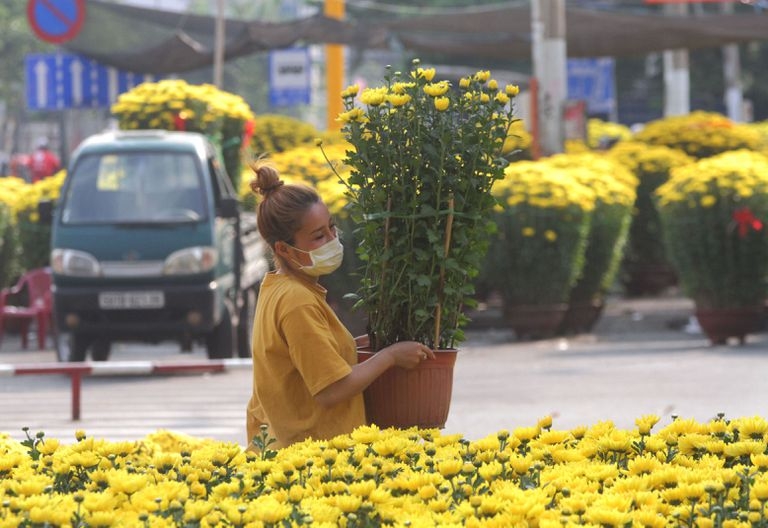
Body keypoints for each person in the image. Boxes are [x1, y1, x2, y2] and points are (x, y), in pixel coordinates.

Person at [246, 160, 434, 449]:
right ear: (283, 249)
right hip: (312, 461)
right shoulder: (297, 301)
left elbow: (309, 358)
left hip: (287, 450)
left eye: (332, 228)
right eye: (319, 236)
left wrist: (362, 346)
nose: (332, 240)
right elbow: (331, 388)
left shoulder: (278, 288)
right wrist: (391, 356)